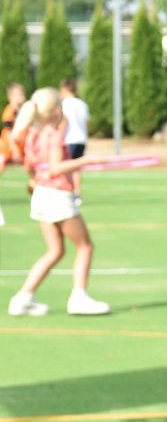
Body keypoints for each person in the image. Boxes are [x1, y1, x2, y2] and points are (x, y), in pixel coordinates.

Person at [7, 87, 111, 317]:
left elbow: (30, 167)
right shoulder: (52, 135)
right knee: (85, 245)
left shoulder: (33, 134)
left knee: (55, 250)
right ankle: (79, 297)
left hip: (42, 194)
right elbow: (55, 168)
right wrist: (86, 160)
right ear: (55, 111)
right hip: (57, 196)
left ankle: (23, 297)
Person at [58, 79, 90, 161]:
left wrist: (58, 137)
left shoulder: (64, 103)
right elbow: (87, 123)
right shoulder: (82, 104)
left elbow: (64, 121)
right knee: (77, 168)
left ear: (63, 89)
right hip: (81, 140)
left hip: (69, 140)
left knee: (67, 166)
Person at [0, 82, 25, 173]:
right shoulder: (10, 111)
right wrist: (14, 149)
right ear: (10, 97)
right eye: (17, 95)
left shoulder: (23, 110)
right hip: (7, 147)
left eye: (22, 94)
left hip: (20, 147)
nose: (21, 97)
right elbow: (8, 132)